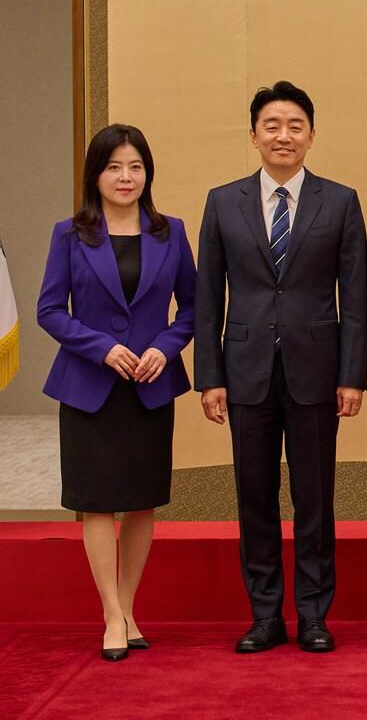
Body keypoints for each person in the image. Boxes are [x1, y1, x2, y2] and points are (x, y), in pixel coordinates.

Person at [195, 81, 367, 655]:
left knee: (315, 499)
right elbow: (206, 298)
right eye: (271, 125)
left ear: (312, 135)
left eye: (295, 126)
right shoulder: (223, 202)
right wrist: (210, 377)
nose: (283, 136)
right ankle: (265, 615)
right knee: (255, 498)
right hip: (244, 372)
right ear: (253, 135)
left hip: (317, 372)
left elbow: (356, 299)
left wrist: (351, 375)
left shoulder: (339, 201)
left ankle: (314, 615)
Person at [37, 124, 196, 661]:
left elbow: (193, 307)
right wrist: (102, 348)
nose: (125, 177)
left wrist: (165, 348)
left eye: (135, 167)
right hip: (89, 387)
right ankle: (110, 612)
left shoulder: (170, 232)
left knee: (142, 501)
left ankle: (128, 607)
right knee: (98, 503)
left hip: (150, 385)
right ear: (95, 175)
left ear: (147, 173)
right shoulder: (69, 234)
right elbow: (49, 311)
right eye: (113, 167)